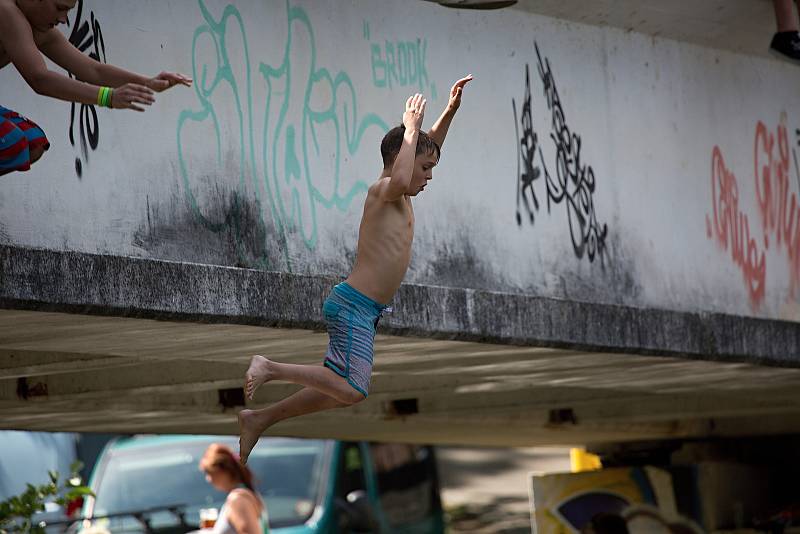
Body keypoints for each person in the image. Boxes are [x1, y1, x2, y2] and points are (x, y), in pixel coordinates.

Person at [237, 74, 473, 463]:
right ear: (403, 161)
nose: (429, 177)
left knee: (341, 390)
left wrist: (448, 112)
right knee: (351, 390)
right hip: (352, 305)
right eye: (426, 169)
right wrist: (410, 128)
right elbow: (403, 170)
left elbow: (422, 153)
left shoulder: (403, 186)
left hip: (364, 310)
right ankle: (270, 368)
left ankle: (260, 419)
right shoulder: (383, 191)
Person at [0, 0, 192, 176]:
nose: (63, 19)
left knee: (34, 143)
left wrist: (148, 82)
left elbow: (93, 70)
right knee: (14, 142)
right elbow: (40, 78)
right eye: (60, 7)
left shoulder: (37, 30)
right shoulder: (6, 10)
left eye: (68, 10)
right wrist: (107, 97)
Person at [198, 443, 268, 534]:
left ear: (223, 470)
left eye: (209, 473)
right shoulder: (245, 494)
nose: (208, 479)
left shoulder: (237, 499)